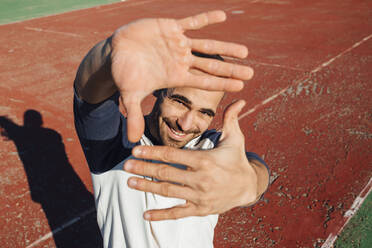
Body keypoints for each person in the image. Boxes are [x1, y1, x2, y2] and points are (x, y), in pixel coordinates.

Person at [73, 10, 270, 248]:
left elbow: (254, 167)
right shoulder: (116, 143)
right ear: (158, 90)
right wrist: (109, 54)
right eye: (179, 102)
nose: (186, 124)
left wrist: (250, 181)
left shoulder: (213, 148)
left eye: (204, 113)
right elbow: (89, 94)